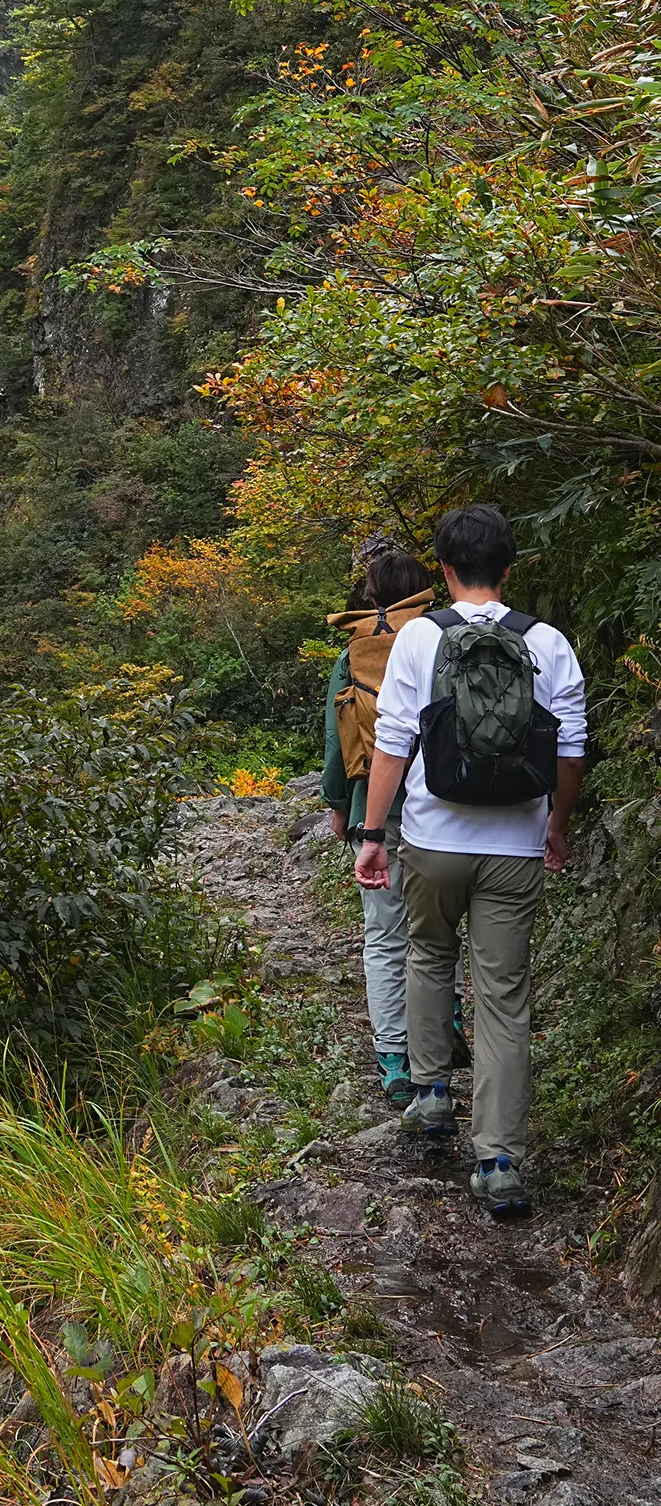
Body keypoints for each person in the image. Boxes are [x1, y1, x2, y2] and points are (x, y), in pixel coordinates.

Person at [356, 502, 587, 1222]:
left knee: (427, 955)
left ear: (446, 571)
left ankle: (430, 1097)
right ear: (509, 569)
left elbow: (393, 742)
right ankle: (498, 1161)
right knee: (504, 998)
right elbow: (570, 747)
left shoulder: (420, 638)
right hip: (514, 846)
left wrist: (372, 832)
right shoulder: (547, 642)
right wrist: (556, 825)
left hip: (433, 837)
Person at [321, 545, 436, 1104]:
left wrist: (341, 810)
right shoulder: (443, 637)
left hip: (377, 809)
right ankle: (446, 1028)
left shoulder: (354, 649)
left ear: (372, 598)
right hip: (442, 805)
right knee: (438, 931)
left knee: (384, 936)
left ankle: (393, 1056)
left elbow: (337, 738)